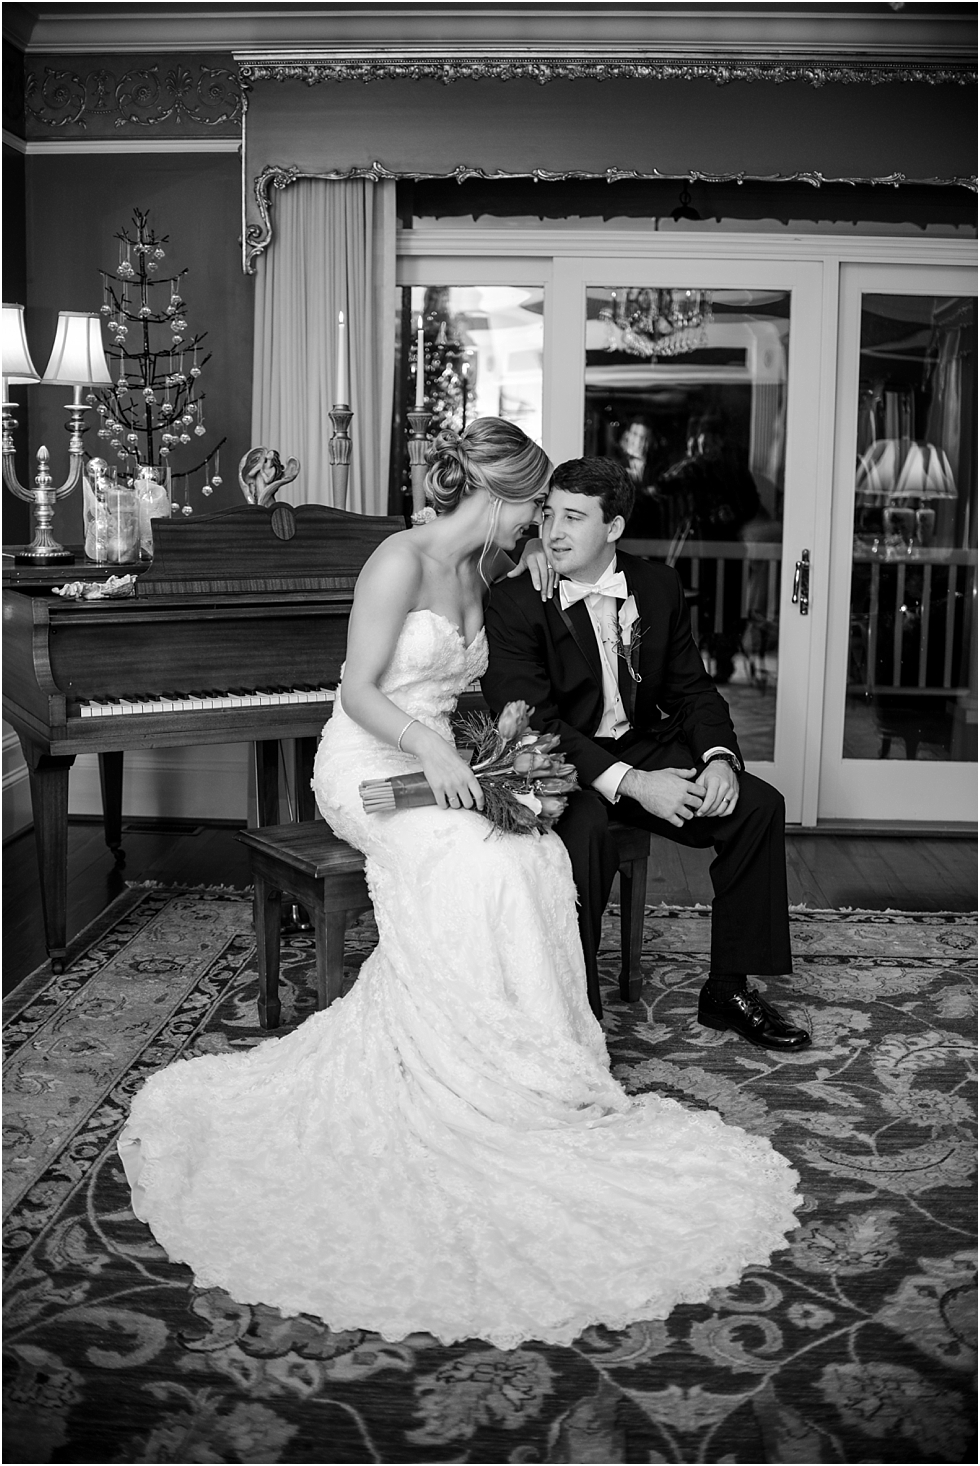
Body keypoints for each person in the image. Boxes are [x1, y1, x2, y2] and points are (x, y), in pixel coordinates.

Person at [117, 418, 800, 1351]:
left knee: (533, 850)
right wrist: (436, 749)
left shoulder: (486, 579)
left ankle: (534, 1060)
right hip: (371, 761)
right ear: (502, 497)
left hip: (446, 763)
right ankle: (467, 1072)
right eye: (533, 511)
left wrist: (503, 760)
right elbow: (359, 689)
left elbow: (494, 692)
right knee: (479, 859)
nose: (538, 530)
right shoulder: (397, 559)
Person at [483, 455, 810, 1046]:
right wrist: (634, 785)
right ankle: (575, 1015)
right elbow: (536, 722)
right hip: (555, 763)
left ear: (613, 528)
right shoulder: (516, 602)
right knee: (583, 832)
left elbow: (692, 690)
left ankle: (727, 989)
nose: (553, 531)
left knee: (757, 807)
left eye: (574, 518)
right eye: (548, 515)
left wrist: (717, 759)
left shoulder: (656, 585)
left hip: (638, 743)